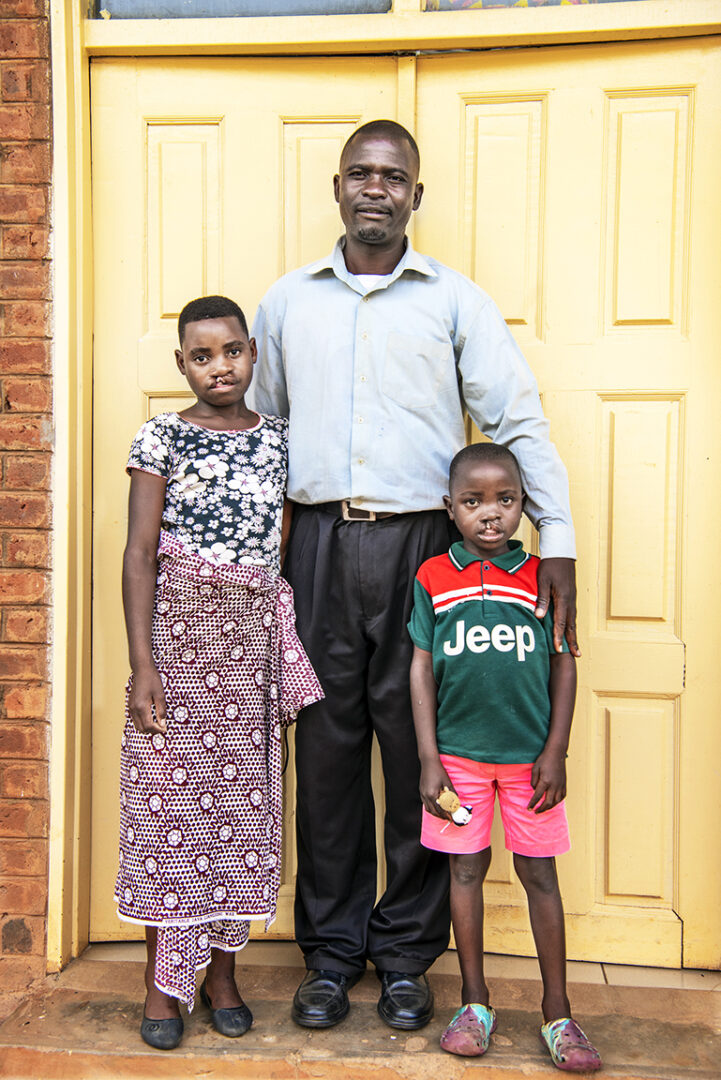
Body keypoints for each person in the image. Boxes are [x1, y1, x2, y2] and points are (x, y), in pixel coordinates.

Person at [250, 119, 579, 1032]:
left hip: (423, 554)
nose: (375, 189)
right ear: (337, 186)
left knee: (421, 759)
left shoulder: (453, 302)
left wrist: (558, 540)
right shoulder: (286, 303)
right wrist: (253, 568)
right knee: (323, 753)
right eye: (359, 173)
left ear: (415, 196)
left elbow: (516, 418)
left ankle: (403, 954)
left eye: (393, 177)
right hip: (315, 545)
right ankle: (329, 954)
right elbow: (265, 437)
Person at [116, 295, 323, 1050]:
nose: (219, 367)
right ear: (181, 364)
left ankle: (223, 975)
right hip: (178, 646)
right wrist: (143, 666)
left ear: (252, 353)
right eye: (201, 356)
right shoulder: (160, 437)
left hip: (246, 655)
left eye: (231, 351)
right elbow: (140, 554)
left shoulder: (278, 442)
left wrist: (273, 646)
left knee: (237, 816)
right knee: (168, 816)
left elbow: (279, 551)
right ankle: (161, 987)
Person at [408, 441, 600, 1072]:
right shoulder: (433, 577)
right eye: (473, 501)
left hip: (529, 763)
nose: (489, 514)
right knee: (464, 873)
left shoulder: (543, 575)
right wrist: (429, 758)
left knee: (540, 876)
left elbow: (564, 666)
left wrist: (556, 751)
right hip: (457, 762)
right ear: (449, 508)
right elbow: (421, 669)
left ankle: (558, 1012)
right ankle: (474, 1003)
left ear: (523, 505)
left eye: (505, 500)